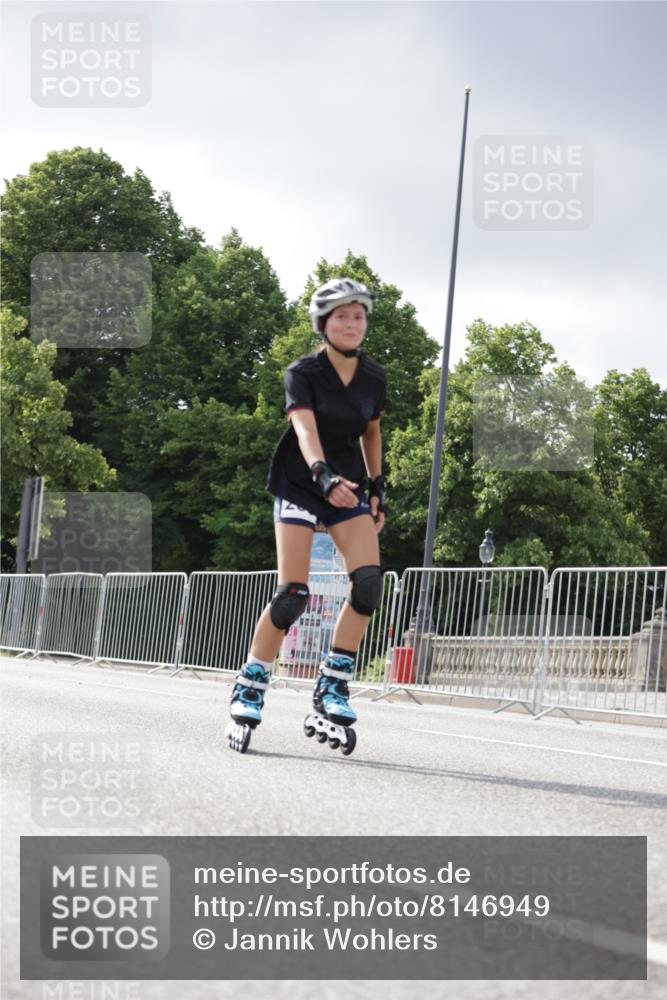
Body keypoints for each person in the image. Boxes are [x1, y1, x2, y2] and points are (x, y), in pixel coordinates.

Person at [226, 277, 388, 754]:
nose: (352, 324)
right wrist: (321, 475)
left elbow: (372, 432)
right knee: (294, 594)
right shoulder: (303, 371)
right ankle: (251, 682)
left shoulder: (374, 376)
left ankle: (332, 684)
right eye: (342, 316)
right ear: (324, 323)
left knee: (369, 584)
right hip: (303, 482)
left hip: (348, 485)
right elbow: (303, 428)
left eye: (359, 316)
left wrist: (377, 487)